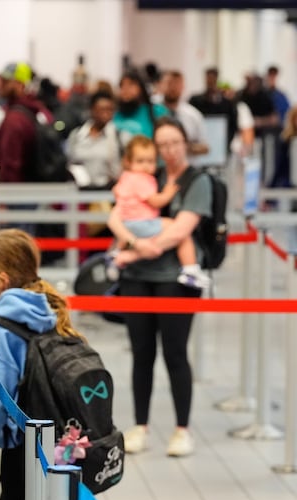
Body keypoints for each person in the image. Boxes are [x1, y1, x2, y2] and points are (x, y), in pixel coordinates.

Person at [107, 116, 211, 458]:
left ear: (186, 142)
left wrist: (138, 248)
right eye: (162, 144)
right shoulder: (149, 175)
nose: (168, 150)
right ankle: (141, 425)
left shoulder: (197, 181)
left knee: (175, 353)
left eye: (174, 143)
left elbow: (182, 229)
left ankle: (182, 429)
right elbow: (117, 216)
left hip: (174, 281)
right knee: (141, 352)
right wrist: (136, 245)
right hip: (138, 278)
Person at [0, 228, 84, 500]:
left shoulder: (5, 326)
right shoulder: (47, 308)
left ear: (1, 280)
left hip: (26, 446)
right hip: (60, 437)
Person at [109, 135, 211, 289]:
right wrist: (168, 194)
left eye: (150, 161)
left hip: (129, 225)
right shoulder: (143, 179)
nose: (145, 166)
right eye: (140, 161)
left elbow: (117, 204)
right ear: (128, 162)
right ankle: (190, 269)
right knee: (176, 229)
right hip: (142, 224)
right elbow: (156, 201)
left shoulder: (125, 178)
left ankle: (118, 254)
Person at [0, 61, 53, 183]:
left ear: (20, 85)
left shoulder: (15, 119)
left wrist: (5, 196)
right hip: (32, 190)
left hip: (17, 193)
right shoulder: (39, 112)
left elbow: (9, 163)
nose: (0, 85)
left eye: (6, 82)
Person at [66, 90, 122, 189]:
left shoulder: (118, 136)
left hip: (106, 192)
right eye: (101, 109)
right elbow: (70, 162)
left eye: (110, 110)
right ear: (92, 110)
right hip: (80, 191)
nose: (106, 114)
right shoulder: (77, 135)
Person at [157, 70, 209, 158]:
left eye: (177, 84)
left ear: (183, 87)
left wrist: (182, 146)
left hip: (185, 165)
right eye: (169, 83)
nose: (173, 88)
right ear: (161, 85)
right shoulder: (152, 109)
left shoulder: (193, 115)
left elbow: (205, 147)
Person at [113, 69, 169, 145]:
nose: (125, 89)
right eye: (122, 85)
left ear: (141, 88)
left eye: (131, 84)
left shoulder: (157, 112)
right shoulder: (115, 114)